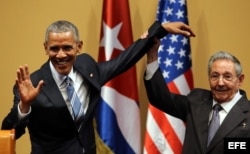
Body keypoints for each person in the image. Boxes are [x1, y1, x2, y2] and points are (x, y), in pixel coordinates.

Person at [1, 20, 195, 154]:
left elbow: (123, 60)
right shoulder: (31, 83)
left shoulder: (87, 67)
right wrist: (24, 107)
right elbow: (9, 132)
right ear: (46, 48)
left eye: (67, 47)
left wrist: (159, 29)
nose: (61, 55)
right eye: (54, 49)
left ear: (79, 46)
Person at [144, 38, 250, 154]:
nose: (220, 83)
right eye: (215, 76)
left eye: (227, 76)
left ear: (240, 80)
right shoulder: (196, 101)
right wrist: (152, 55)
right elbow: (160, 98)